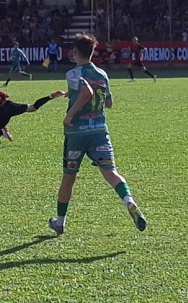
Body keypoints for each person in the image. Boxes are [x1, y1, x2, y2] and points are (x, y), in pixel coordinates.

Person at [48, 33, 147, 235]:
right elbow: (108, 103)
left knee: (69, 177)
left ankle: (59, 222)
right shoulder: (102, 74)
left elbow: (87, 93)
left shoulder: (73, 73)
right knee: (110, 172)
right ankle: (129, 201)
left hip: (77, 133)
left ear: (75, 53)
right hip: (100, 131)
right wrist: (71, 94)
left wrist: (70, 114)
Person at [0, 58, 65, 141]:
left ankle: (3, 131)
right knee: (33, 107)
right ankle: (50, 97)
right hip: (9, 105)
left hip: (1, 113)